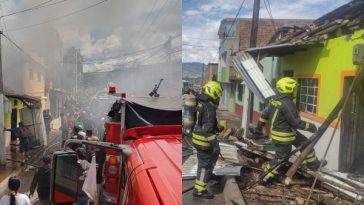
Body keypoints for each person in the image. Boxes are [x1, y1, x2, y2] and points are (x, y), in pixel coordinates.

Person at [252, 77, 326, 184]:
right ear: (289, 89)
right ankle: (264, 177)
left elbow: (264, 115)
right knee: (281, 160)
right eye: (294, 88)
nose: (295, 90)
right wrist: (312, 127)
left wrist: (258, 129)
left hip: (286, 132)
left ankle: (313, 164)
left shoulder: (274, 100)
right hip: (284, 136)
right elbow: (296, 123)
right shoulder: (288, 104)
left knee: (305, 143)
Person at [192, 81, 224, 199]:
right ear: (213, 92)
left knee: (210, 160)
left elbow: (202, 121)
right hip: (204, 141)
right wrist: (214, 143)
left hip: (198, 137)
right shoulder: (209, 106)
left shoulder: (201, 102)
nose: (218, 97)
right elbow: (207, 128)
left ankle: (208, 176)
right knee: (204, 165)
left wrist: (217, 128)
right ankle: (199, 190)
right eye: (218, 94)